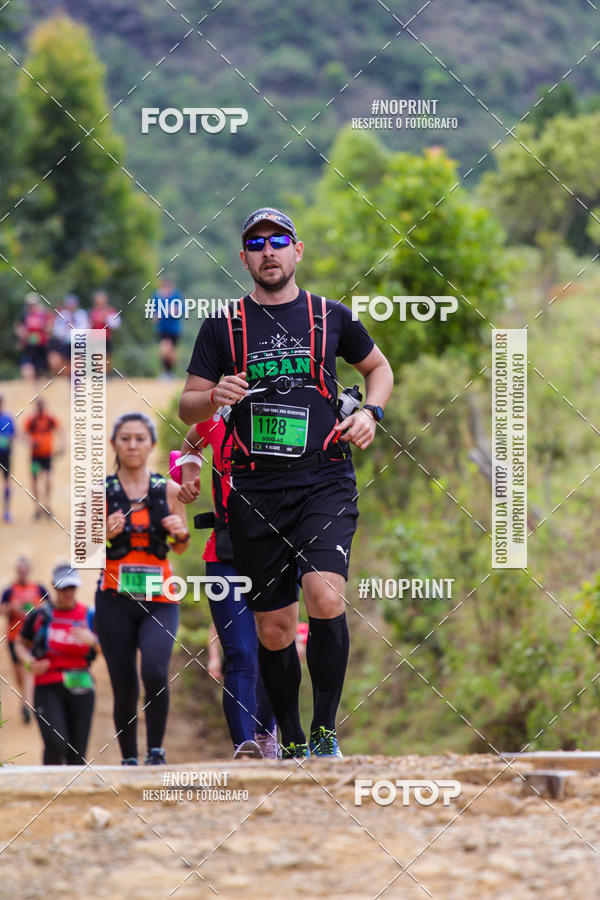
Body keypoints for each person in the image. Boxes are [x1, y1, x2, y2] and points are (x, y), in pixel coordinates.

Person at [179, 206, 393, 759]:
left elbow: (379, 368)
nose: (268, 250)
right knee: (274, 630)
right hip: (254, 489)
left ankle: (324, 733)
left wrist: (371, 413)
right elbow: (187, 405)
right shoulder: (222, 327)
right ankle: (291, 741)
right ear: (244, 257)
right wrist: (213, 396)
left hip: (324, 478)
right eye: (256, 243)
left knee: (325, 595)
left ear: (298, 251)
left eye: (279, 240)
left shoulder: (331, 317)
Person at [177, 415, 278, 759]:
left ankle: (266, 734)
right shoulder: (216, 417)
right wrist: (189, 475)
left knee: (272, 650)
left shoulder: (288, 409)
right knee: (241, 654)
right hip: (224, 553)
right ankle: (244, 747)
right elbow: (191, 442)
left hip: (277, 549)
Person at [95, 412, 190, 765]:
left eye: (139, 438)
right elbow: (83, 548)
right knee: (124, 684)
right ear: (114, 444)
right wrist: (105, 531)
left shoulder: (169, 490)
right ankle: (129, 759)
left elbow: (180, 546)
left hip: (160, 598)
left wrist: (179, 532)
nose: (132, 445)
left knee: (154, 670)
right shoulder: (100, 493)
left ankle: (156, 752)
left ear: (151, 444)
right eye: (125, 438)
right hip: (113, 598)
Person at [16, 563, 99, 764]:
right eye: (63, 588)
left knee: (77, 754)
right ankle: (50, 788)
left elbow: (111, 650)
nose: (68, 593)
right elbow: (20, 643)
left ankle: (73, 793)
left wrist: (93, 641)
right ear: (54, 586)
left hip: (82, 684)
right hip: (48, 684)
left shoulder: (89, 616)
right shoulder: (40, 615)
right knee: (55, 742)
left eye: (72, 588)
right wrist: (29, 663)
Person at [1, 557, 48, 722]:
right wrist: (10, 608)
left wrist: (38, 608)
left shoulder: (38, 589)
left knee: (28, 670)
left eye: (24, 569)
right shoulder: (9, 591)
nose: (22, 573)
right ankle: (26, 698)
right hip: (14, 638)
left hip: (32, 638)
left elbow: (50, 606)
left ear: (28, 570)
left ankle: (27, 705)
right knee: (19, 673)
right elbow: (2, 609)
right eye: (19, 570)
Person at [23, 398, 63, 519]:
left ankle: (47, 505)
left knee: (48, 480)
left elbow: (60, 431)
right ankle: (37, 507)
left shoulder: (49, 419)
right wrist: (30, 442)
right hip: (35, 456)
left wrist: (62, 445)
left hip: (47, 455)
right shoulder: (31, 420)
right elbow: (23, 434)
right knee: (34, 481)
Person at [48, 294, 90, 375]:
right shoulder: (63, 315)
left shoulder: (82, 314)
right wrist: (65, 330)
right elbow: (57, 331)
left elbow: (86, 329)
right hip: (65, 344)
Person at [15, 292, 52, 379]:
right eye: (29, 304)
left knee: (43, 368)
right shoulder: (24, 314)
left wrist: (45, 331)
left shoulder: (43, 313)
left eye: (33, 304)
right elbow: (18, 326)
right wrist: (22, 335)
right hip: (30, 347)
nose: (31, 306)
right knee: (30, 370)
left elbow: (49, 327)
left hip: (42, 346)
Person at [154, 278, 182, 378]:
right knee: (164, 351)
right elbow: (154, 314)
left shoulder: (176, 297)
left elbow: (179, 311)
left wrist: (172, 311)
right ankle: (167, 373)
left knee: (169, 352)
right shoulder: (157, 297)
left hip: (173, 330)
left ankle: (169, 373)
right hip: (162, 329)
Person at [89, 289, 121, 372]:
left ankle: (107, 374)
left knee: (107, 358)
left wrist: (106, 318)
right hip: (95, 338)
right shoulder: (93, 311)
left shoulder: (110, 310)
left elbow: (116, 324)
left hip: (106, 338)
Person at [0, 394, 16, 521]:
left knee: (6, 483)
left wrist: (7, 439)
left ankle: (6, 510)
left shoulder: (8, 418)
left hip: (5, 454)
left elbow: (14, 434)